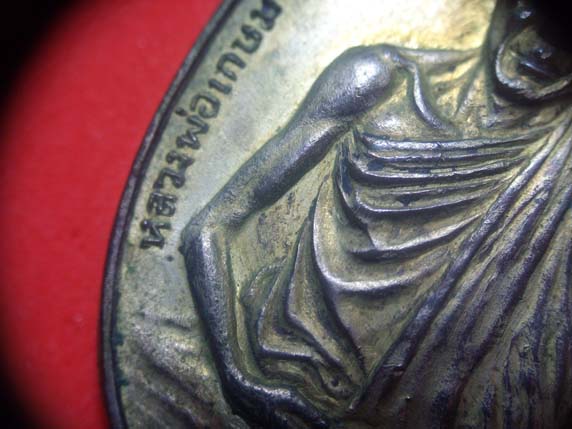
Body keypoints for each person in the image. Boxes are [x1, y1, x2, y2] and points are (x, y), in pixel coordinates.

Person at [182, 0, 572, 426]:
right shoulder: (380, 80)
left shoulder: (559, 175)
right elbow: (211, 225)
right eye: (531, 9)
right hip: (285, 378)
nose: (541, 46)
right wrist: (239, 380)